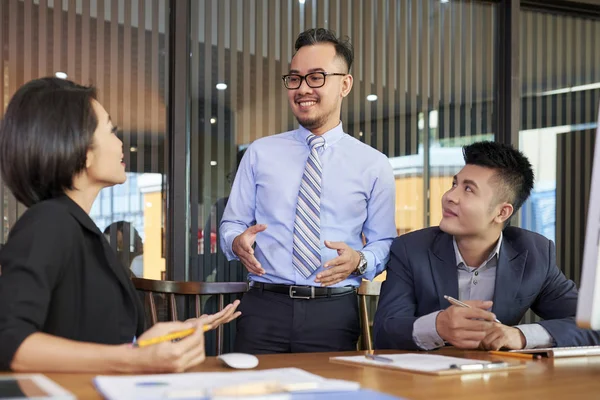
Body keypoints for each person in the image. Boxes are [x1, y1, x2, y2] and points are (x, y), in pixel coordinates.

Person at [0, 77, 240, 372]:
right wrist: (134, 359)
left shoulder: (81, 230)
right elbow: (9, 340)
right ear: (83, 150)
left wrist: (177, 332)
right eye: (111, 130)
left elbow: (97, 337)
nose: (120, 142)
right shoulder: (48, 223)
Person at [220, 28, 396, 353]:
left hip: (333, 311)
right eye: (295, 78)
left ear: (345, 84)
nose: (303, 89)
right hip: (263, 307)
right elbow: (232, 223)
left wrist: (360, 260)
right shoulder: (260, 153)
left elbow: (385, 241)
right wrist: (236, 240)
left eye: (316, 77)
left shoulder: (374, 164)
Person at [373, 141, 600, 351]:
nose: (450, 196)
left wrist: (520, 336)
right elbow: (385, 331)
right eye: (455, 184)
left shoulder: (534, 253)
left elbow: (592, 325)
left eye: (468, 189)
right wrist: (438, 326)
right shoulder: (411, 249)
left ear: (502, 212)